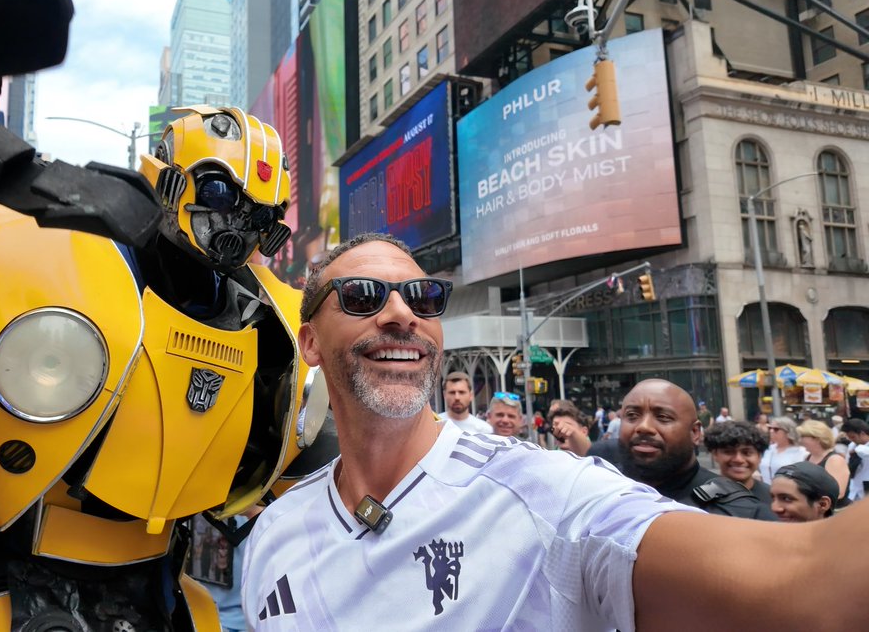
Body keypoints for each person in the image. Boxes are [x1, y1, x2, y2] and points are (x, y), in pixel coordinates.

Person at [249, 233, 869, 630]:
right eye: (361, 295)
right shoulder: (273, 532)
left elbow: (811, 585)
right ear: (308, 341)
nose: (402, 314)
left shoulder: (548, 496)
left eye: (424, 296)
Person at [616, 379, 775, 520]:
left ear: (695, 432)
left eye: (663, 417)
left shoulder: (743, 513)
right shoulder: (600, 490)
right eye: (632, 415)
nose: (644, 427)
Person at [702, 420, 773, 504]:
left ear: (760, 456)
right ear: (715, 455)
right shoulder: (701, 499)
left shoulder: (774, 498)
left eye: (747, 453)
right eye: (729, 452)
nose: (738, 460)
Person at [797, 419, 850, 506]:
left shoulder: (834, 460)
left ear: (817, 438)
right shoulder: (808, 457)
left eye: (803, 436)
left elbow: (838, 493)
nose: (800, 440)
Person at [770, 462, 839, 522]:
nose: (774, 508)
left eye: (787, 499)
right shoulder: (770, 535)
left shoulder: (842, 536)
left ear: (822, 504)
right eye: (773, 498)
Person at [759, 416, 807, 480]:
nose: (771, 431)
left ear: (788, 432)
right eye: (770, 428)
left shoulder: (801, 452)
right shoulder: (769, 449)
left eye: (776, 429)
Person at [840, 418, 869, 501]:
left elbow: (865, 452)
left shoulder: (858, 448)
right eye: (849, 438)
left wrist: (857, 450)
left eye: (853, 437)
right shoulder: (852, 445)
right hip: (854, 487)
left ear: (862, 433)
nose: (852, 440)